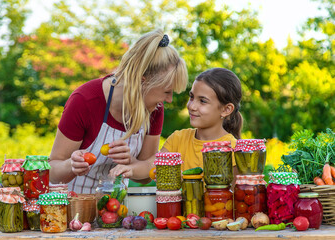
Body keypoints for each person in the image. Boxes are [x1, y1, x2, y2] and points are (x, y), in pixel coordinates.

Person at [49, 29, 188, 194]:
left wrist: (131, 162)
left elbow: (146, 173)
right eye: (167, 91)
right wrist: (70, 165)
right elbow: (52, 171)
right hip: (73, 209)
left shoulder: (154, 108)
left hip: (116, 213)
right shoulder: (85, 100)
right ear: (142, 81)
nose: (169, 99)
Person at [112, 67, 243, 178]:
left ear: (226, 109)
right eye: (192, 97)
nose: (191, 106)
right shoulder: (178, 139)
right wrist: (131, 168)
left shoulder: (234, 150)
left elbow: (227, 200)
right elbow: (150, 165)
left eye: (202, 101)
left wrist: (185, 182)